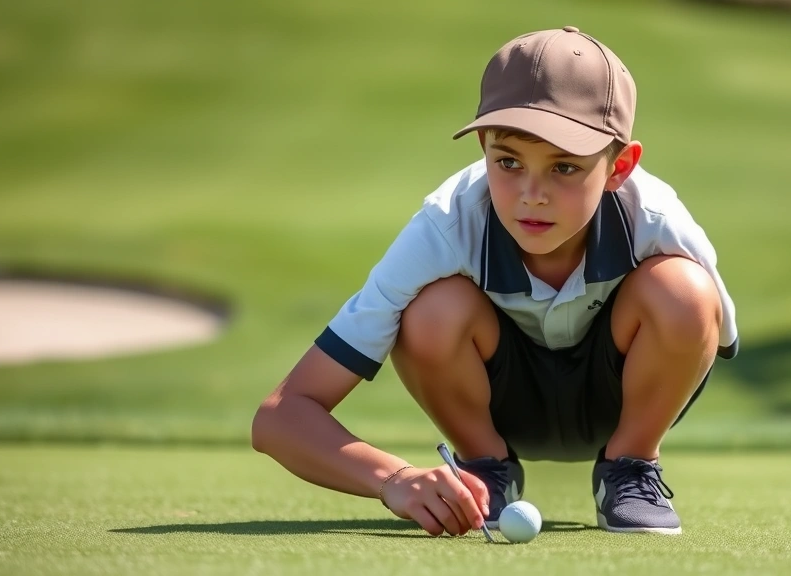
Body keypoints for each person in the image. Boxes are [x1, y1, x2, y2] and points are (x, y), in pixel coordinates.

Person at [251, 25, 738, 538]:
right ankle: (485, 471)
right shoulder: (444, 225)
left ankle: (631, 468)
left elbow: (706, 334)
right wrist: (396, 479)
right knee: (430, 307)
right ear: (483, 145)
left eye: (565, 167)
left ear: (619, 166)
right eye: (508, 161)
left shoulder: (658, 219)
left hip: (620, 406)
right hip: (497, 410)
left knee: (684, 290)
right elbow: (280, 416)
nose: (532, 194)